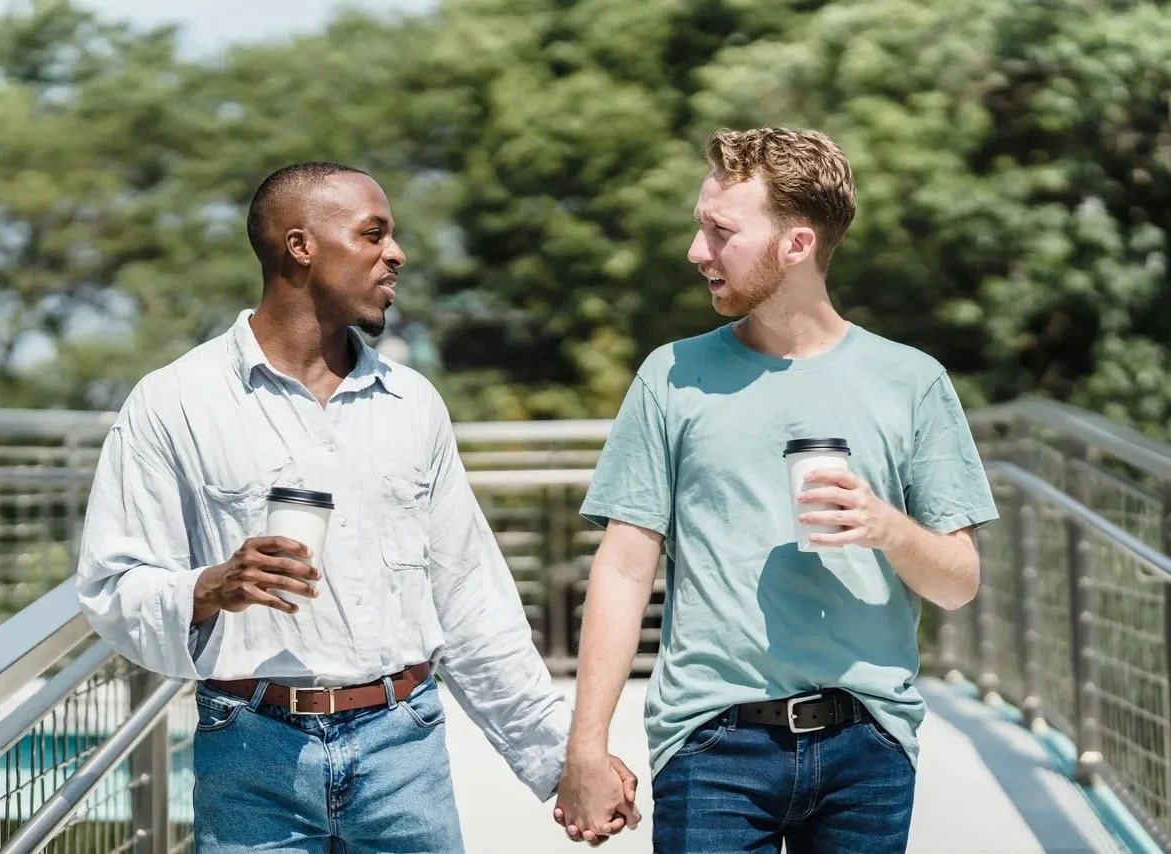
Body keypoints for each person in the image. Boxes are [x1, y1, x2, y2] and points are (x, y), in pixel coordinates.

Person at [75, 162, 639, 853]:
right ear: (299, 246)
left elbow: (469, 601)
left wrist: (562, 762)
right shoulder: (175, 401)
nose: (395, 253)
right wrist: (209, 588)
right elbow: (111, 586)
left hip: (406, 751)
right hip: (251, 756)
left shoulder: (413, 405)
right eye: (373, 235)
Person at [552, 127, 999, 852]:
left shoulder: (912, 382)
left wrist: (887, 527)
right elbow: (625, 565)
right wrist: (585, 748)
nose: (697, 252)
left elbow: (960, 583)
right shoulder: (669, 376)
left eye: (720, 231)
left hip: (869, 747)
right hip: (711, 749)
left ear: (795, 245)